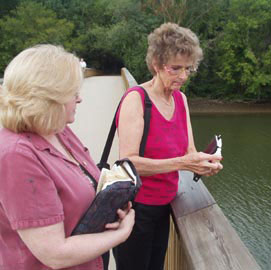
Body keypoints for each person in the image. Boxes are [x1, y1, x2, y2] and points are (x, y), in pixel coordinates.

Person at [0, 44, 135, 270]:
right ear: (50, 98)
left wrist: (111, 207)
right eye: (73, 93)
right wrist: (121, 234)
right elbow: (54, 254)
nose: (80, 99)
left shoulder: (57, 129)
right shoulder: (16, 156)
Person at [113, 22, 223, 270]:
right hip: (134, 209)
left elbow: (189, 152)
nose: (183, 76)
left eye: (188, 68)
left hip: (165, 206)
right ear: (156, 64)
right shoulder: (136, 99)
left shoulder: (180, 99)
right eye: (175, 68)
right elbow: (128, 162)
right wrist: (183, 163)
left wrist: (204, 163)